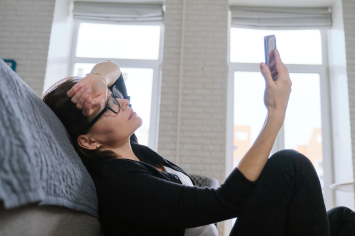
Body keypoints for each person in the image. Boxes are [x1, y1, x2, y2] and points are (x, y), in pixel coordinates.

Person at [43, 50, 355, 236]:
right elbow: (224, 203)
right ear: (87, 140)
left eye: (114, 95)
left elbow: (113, 70)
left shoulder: (131, 149)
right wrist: (276, 114)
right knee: (291, 166)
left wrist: (97, 78)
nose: (121, 102)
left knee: (341, 220)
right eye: (107, 106)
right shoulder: (118, 183)